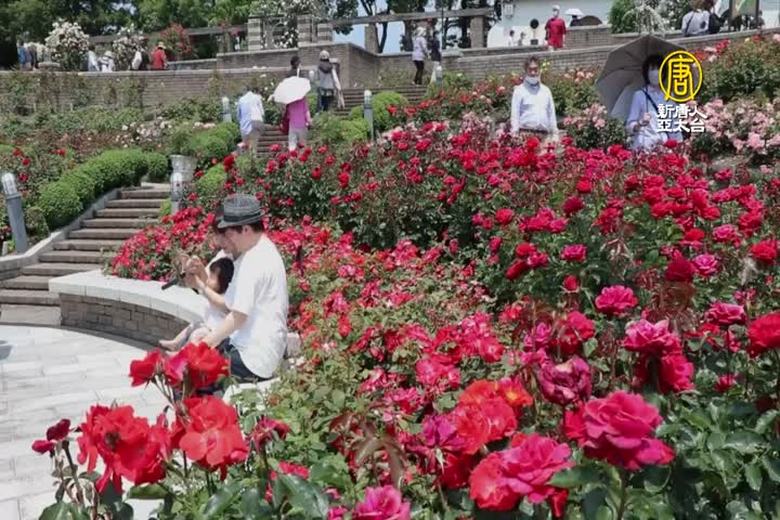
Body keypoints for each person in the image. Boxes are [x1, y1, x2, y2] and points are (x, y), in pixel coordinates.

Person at [200, 194, 289, 383]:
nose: (227, 240)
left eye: (230, 233)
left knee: (191, 373)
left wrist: (205, 345)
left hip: (253, 358)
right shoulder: (262, 248)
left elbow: (238, 316)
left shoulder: (254, 261)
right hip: (256, 349)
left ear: (246, 229)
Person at [160, 257, 234, 351]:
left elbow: (207, 291)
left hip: (215, 331)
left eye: (212, 278)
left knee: (196, 335)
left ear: (223, 281)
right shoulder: (215, 291)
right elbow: (203, 285)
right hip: (207, 325)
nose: (208, 280)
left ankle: (182, 353)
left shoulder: (224, 297)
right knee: (193, 325)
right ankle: (175, 342)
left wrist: (199, 283)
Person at [625, 55, 683, 152]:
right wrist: (640, 123)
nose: (655, 73)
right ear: (646, 73)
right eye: (652, 69)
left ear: (664, 72)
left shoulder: (669, 95)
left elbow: (674, 123)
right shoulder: (639, 95)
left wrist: (679, 145)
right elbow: (629, 126)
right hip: (645, 147)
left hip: (665, 147)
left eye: (659, 68)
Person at [510, 56, 559, 141]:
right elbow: (515, 114)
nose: (533, 72)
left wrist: (555, 134)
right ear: (525, 71)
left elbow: (551, 113)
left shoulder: (546, 91)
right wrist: (514, 133)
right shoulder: (519, 91)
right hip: (525, 135)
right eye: (530, 69)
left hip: (544, 136)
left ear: (539, 70)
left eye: (535, 69)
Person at [236, 82, 265, 153]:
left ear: (244, 91)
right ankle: (254, 157)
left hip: (246, 124)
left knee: (246, 146)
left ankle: (248, 160)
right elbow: (262, 113)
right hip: (257, 121)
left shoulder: (241, 99)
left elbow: (238, 115)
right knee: (254, 146)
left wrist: (241, 123)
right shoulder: (257, 97)